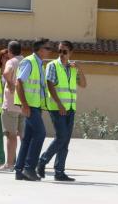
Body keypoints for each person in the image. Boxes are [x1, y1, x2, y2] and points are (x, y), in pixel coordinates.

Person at [37, 40, 87, 181]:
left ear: (70, 52)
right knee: (61, 137)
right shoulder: (53, 65)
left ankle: (59, 172)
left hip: (70, 108)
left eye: (64, 51)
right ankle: (42, 161)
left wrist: (79, 68)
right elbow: (50, 85)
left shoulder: (72, 68)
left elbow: (83, 84)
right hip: (57, 107)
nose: (61, 54)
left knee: (65, 141)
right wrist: (59, 104)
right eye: (59, 51)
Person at [14, 38, 53, 181]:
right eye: (47, 48)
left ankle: (19, 170)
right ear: (39, 49)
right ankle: (29, 168)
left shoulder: (39, 64)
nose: (50, 51)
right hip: (29, 106)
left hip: (34, 106)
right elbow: (19, 82)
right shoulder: (29, 62)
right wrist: (24, 104)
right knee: (40, 133)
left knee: (28, 138)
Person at [0, 40, 25, 172]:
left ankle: (9, 164)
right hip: (24, 104)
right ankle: (25, 163)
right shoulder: (27, 61)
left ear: (9, 51)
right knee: (23, 135)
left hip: (11, 104)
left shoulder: (11, 62)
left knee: (11, 135)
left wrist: (11, 84)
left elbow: (6, 73)